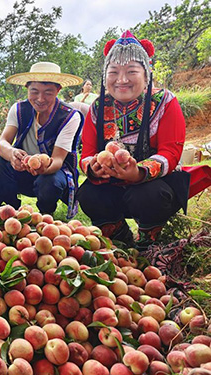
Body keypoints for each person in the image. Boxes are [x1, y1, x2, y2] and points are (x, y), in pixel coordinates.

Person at [77, 30, 190, 250]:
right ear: (105, 75)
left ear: (146, 75)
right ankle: (119, 237)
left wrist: (138, 173)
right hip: (111, 185)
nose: (121, 80)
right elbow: (87, 153)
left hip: (154, 187)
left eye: (131, 71)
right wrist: (94, 166)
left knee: (149, 195)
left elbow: (171, 152)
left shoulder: (165, 102)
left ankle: (148, 240)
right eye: (114, 72)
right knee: (88, 193)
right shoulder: (98, 108)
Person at [0, 62, 84, 219]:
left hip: (53, 173)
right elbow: (3, 143)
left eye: (48, 92)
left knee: (50, 181)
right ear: (27, 88)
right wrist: (12, 154)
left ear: (58, 90)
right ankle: (8, 211)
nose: (40, 99)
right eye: (34, 91)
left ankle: (46, 214)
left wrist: (42, 168)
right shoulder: (19, 109)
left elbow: (58, 160)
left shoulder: (69, 116)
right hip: (22, 171)